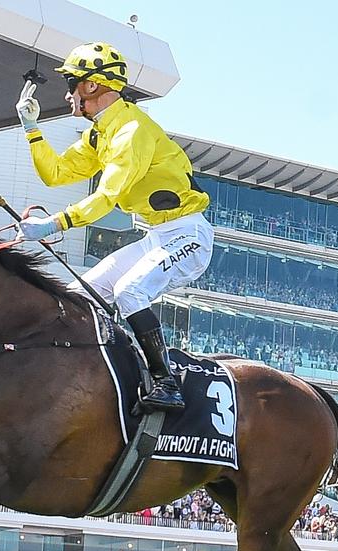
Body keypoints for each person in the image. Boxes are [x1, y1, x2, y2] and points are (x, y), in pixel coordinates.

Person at [14, 41, 213, 411]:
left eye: (72, 83)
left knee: (129, 291)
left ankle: (166, 382)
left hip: (190, 235)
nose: (68, 93)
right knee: (76, 295)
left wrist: (53, 225)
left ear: (91, 86)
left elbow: (106, 198)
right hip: (157, 237)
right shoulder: (100, 132)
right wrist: (32, 129)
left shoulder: (131, 130)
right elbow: (56, 174)